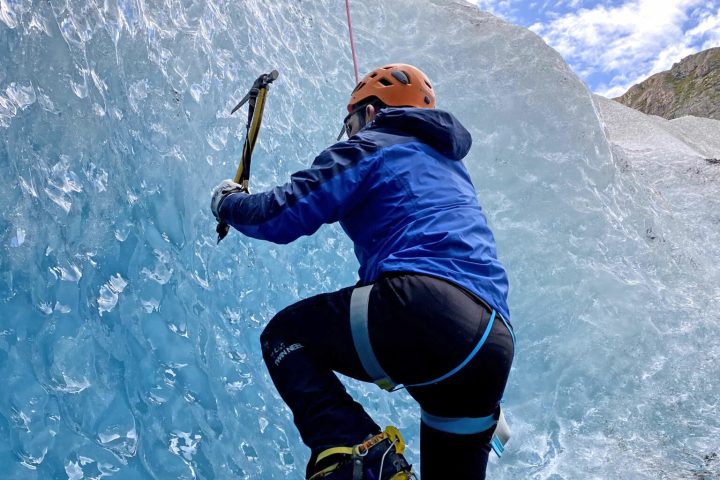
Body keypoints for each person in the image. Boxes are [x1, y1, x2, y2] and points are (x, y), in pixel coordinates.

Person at [211, 64, 515, 479]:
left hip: (425, 308)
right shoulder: (450, 167)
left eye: (350, 123)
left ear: (371, 113)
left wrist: (227, 202)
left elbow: (279, 214)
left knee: (286, 335)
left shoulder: (371, 144)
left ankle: (365, 457)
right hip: (491, 347)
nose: (351, 133)